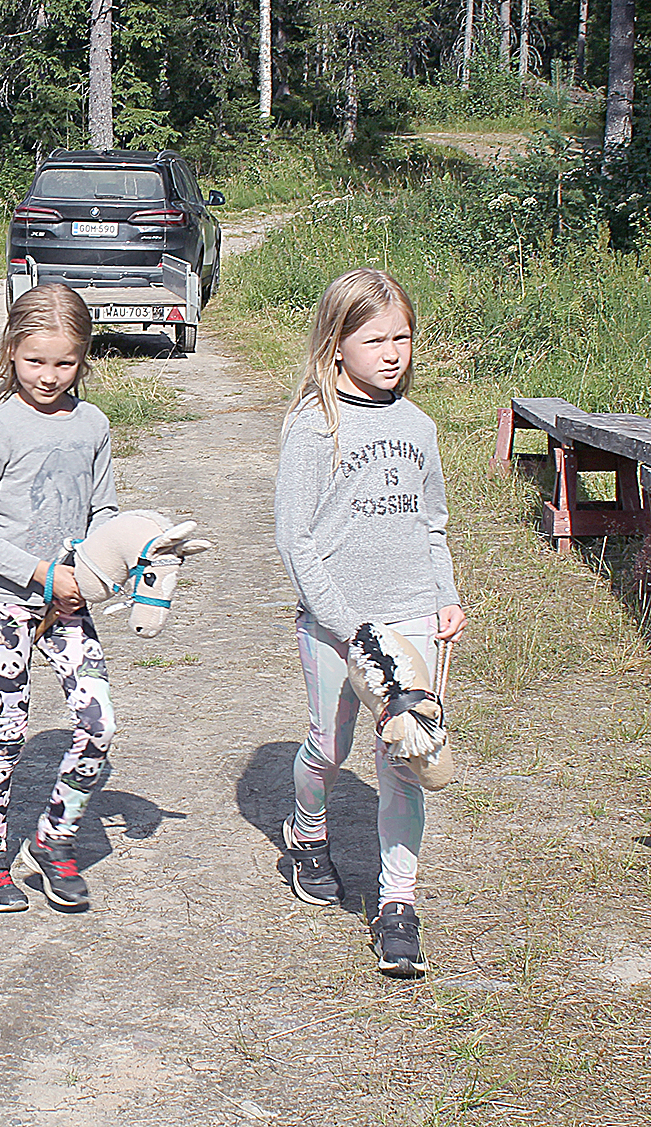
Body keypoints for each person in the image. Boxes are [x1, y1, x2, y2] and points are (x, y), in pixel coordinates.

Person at [273, 268, 467, 978]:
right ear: (335, 344)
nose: (392, 353)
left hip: (410, 614)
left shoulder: (418, 426)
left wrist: (443, 594)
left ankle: (396, 905)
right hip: (335, 625)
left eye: (402, 337)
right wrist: (349, 625)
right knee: (329, 747)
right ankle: (306, 831)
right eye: (374, 339)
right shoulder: (311, 426)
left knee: (403, 764)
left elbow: (432, 522)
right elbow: (295, 541)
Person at [0, 283, 117, 914]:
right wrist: (44, 576)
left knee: (99, 724)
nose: (49, 376)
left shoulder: (94, 425)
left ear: (84, 357)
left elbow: (104, 507)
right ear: (11, 353)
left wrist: (105, 562)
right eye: (35, 361)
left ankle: (54, 839)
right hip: (4, 604)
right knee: (9, 727)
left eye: (65, 362)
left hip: (72, 603)